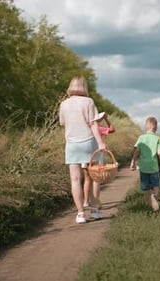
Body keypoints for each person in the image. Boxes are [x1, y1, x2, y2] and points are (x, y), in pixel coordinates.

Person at [59, 76, 106, 224]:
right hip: (88, 142)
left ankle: (80, 214)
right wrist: (100, 143)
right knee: (92, 178)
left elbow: (62, 123)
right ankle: (94, 210)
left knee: (75, 180)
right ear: (84, 87)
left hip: (72, 144)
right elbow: (93, 125)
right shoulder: (89, 102)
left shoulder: (64, 104)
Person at [82, 112, 116, 208]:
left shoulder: (86, 127)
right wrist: (106, 119)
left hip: (85, 155)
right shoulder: (99, 128)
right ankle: (96, 201)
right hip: (97, 155)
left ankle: (85, 201)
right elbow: (112, 129)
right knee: (96, 179)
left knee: (87, 179)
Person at [130, 116, 160, 211]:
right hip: (154, 166)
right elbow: (159, 153)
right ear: (154, 128)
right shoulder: (157, 138)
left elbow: (136, 150)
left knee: (146, 188)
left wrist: (133, 161)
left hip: (143, 166)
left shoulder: (141, 138)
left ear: (147, 127)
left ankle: (150, 205)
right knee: (156, 185)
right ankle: (155, 196)